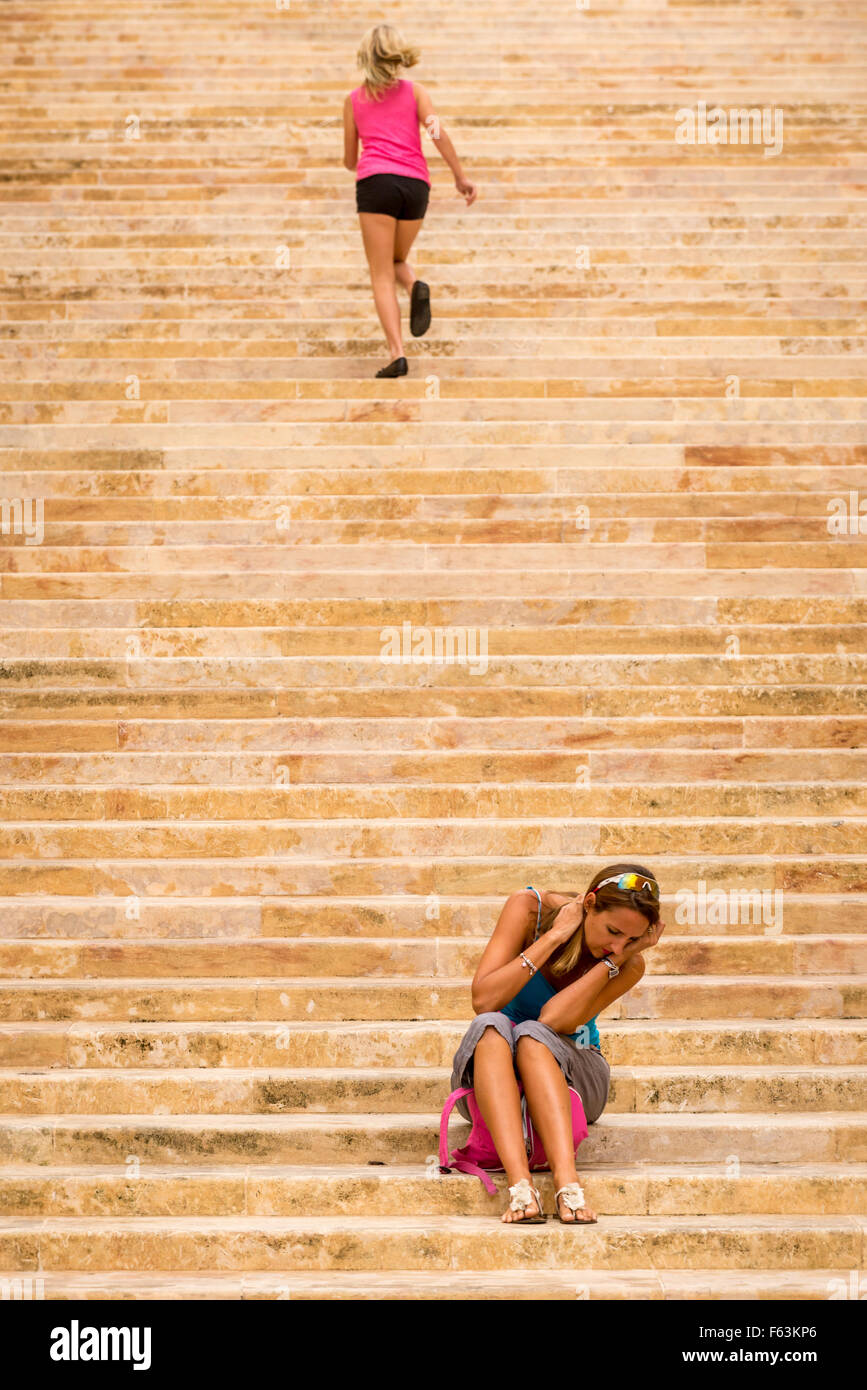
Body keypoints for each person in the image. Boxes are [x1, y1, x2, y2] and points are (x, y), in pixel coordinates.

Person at [448, 865, 665, 1224]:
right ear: (590, 904)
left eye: (631, 940)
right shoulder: (529, 911)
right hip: (495, 1071)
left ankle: (569, 1187)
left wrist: (616, 960)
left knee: (533, 1035)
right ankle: (521, 1188)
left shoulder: (626, 963)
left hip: (574, 1073)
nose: (617, 945)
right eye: (613, 932)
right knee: (490, 1024)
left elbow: (552, 1020)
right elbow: (484, 999)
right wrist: (553, 937)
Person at [343, 23, 477, 377]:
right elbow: (436, 133)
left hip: (376, 184)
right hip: (416, 186)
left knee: (381, 272)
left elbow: (348, 159)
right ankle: (415, 283)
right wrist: (460, 176)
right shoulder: (416, 93)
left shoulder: (354, 100)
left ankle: (396, 354)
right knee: (396, 258)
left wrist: (372, 157)